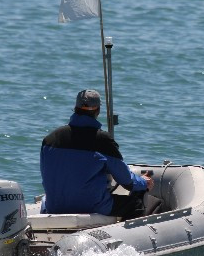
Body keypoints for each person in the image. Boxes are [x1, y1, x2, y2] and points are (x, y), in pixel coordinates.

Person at [40, 89, 154, 220]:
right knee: (136, 204)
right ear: (98, 111)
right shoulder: (102, 140)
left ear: (75, 108)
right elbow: (127, 181)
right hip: (91, 206)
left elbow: (46, 177)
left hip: (54, 206)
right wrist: (144, 182)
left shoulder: (49, 139)